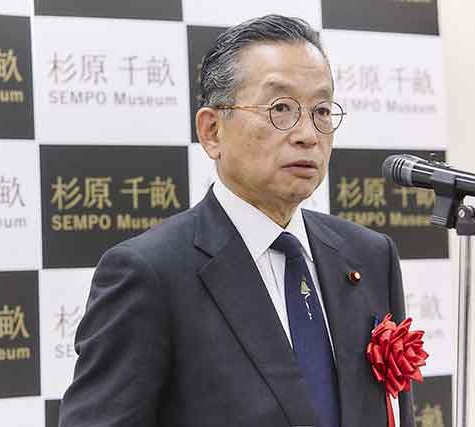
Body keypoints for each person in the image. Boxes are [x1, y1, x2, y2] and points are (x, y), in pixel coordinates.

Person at [59, 14, 414, 427]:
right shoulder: (150, 274)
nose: (307, 134)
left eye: (321, 110)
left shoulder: (369, 256)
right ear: (212, 131)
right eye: (280, 108)